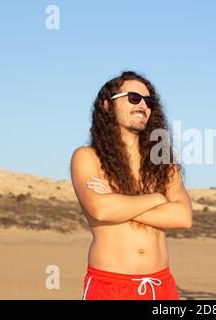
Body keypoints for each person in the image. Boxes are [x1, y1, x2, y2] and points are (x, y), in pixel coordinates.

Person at [70, 70, 192, 300]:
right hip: (110, 286)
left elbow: (183, 217)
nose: (142, 105)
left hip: (160, 285)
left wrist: (120, 201)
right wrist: (156, 198)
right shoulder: (87, 157)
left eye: (148, 101)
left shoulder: (164, 162)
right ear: (107, 105)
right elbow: (102, 210)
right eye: (133, 98)